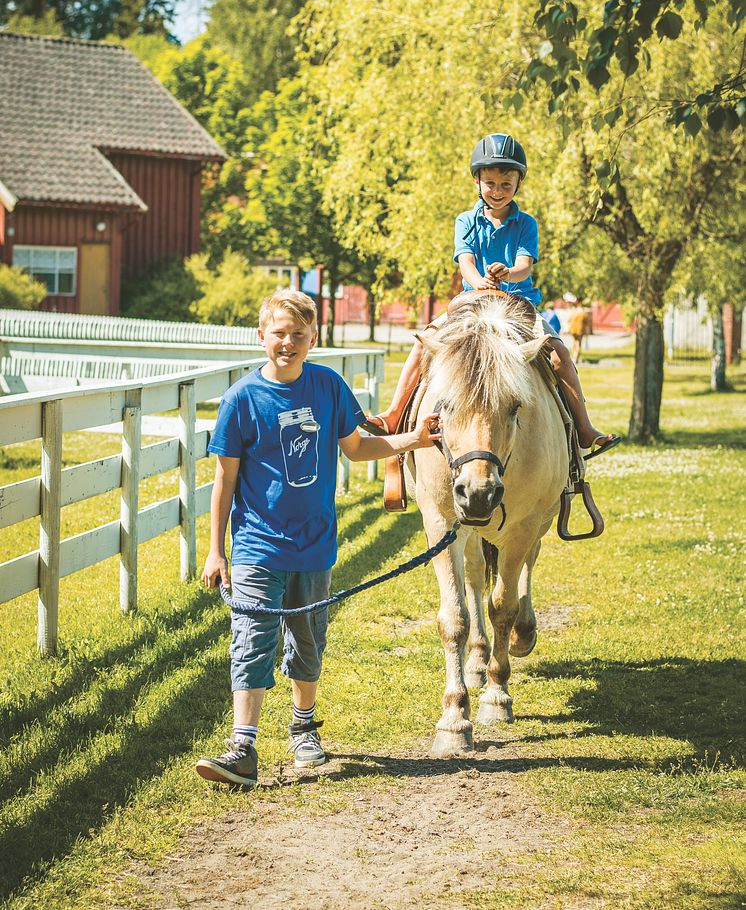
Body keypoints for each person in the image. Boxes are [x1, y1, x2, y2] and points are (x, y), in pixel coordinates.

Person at [195, 289, 438, 789]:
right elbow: (224, 481)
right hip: (257, 545)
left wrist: (413, 439)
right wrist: (216, 549)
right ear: (261, 336)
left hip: (314, 545)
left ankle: (303, 727)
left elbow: (356, 447)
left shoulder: (327, 386)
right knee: (252, 639)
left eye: (298, 335)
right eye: (279, 333)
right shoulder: (242, 399)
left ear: (313, 339)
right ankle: (243, 746)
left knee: (307, 639)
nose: (288, 343)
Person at [376, 133, 620, 459]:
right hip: (474, 298)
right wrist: (480, 283)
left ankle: (584, 428)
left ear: (518, 184)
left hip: (517, 301)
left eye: (506, 184)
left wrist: (507, 273)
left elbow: (524, 267)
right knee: (426, 342)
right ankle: (394, 413)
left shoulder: (526, 224)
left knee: (559, 353)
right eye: (490, 183)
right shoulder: (465, 221)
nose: (497, 191)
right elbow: (465, 264)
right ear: (477, 180)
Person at [568, 298, 592, 364]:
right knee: (578, 344)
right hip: (580, 330)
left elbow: (569, 320)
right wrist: (587, 331)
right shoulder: (583, 312)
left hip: (573, 330)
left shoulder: (574, 311)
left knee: (574, 343)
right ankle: (575, 358)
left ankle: (573, 357)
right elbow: (587, 322)